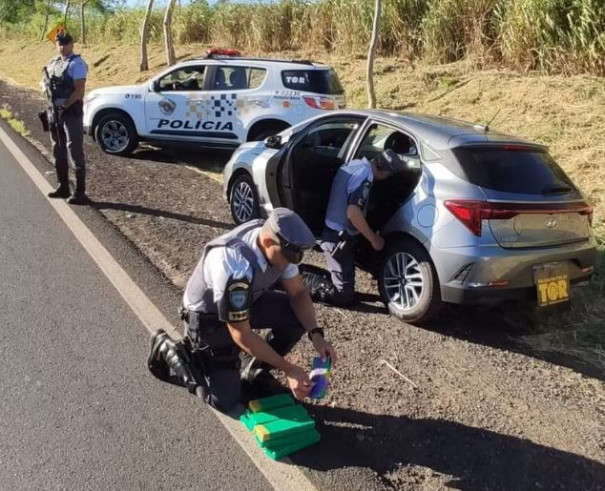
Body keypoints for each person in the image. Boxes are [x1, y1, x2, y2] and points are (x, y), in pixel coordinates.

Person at [147, 208, 337, 413]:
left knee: (296, 316)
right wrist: (288, 368)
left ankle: (257, 373)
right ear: (267, 243)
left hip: (248, 301)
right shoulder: (233, 267)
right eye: (292, 254)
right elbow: (242, 334)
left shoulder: (278, 245)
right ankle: (169, 349)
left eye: (299, 255)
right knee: (224, 401)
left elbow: (299, 293)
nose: (295, 259)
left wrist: (315, 334)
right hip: (207, 317)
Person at [306, 149, 407, 307]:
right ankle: (300, 278)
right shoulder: (364, 177)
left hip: (332, 230)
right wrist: (374, 240)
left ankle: (307, 275)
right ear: (386, 173)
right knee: (343, 296)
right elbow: (353, 212)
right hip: (337, 239)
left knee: (344, 283)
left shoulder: (355, 164)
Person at [42, 32, 89, 204]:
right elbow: (45, 83)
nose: (62, 47)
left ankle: (80, 192)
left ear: (72, 44)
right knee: (58, 148)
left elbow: (79, 91)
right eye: (59, 44)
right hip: (54, 112)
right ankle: (63, 186)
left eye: (65, 44)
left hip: (70, 112)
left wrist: (64, 107)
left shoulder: (77, 64)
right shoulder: (53, 62)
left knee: (74, 149)